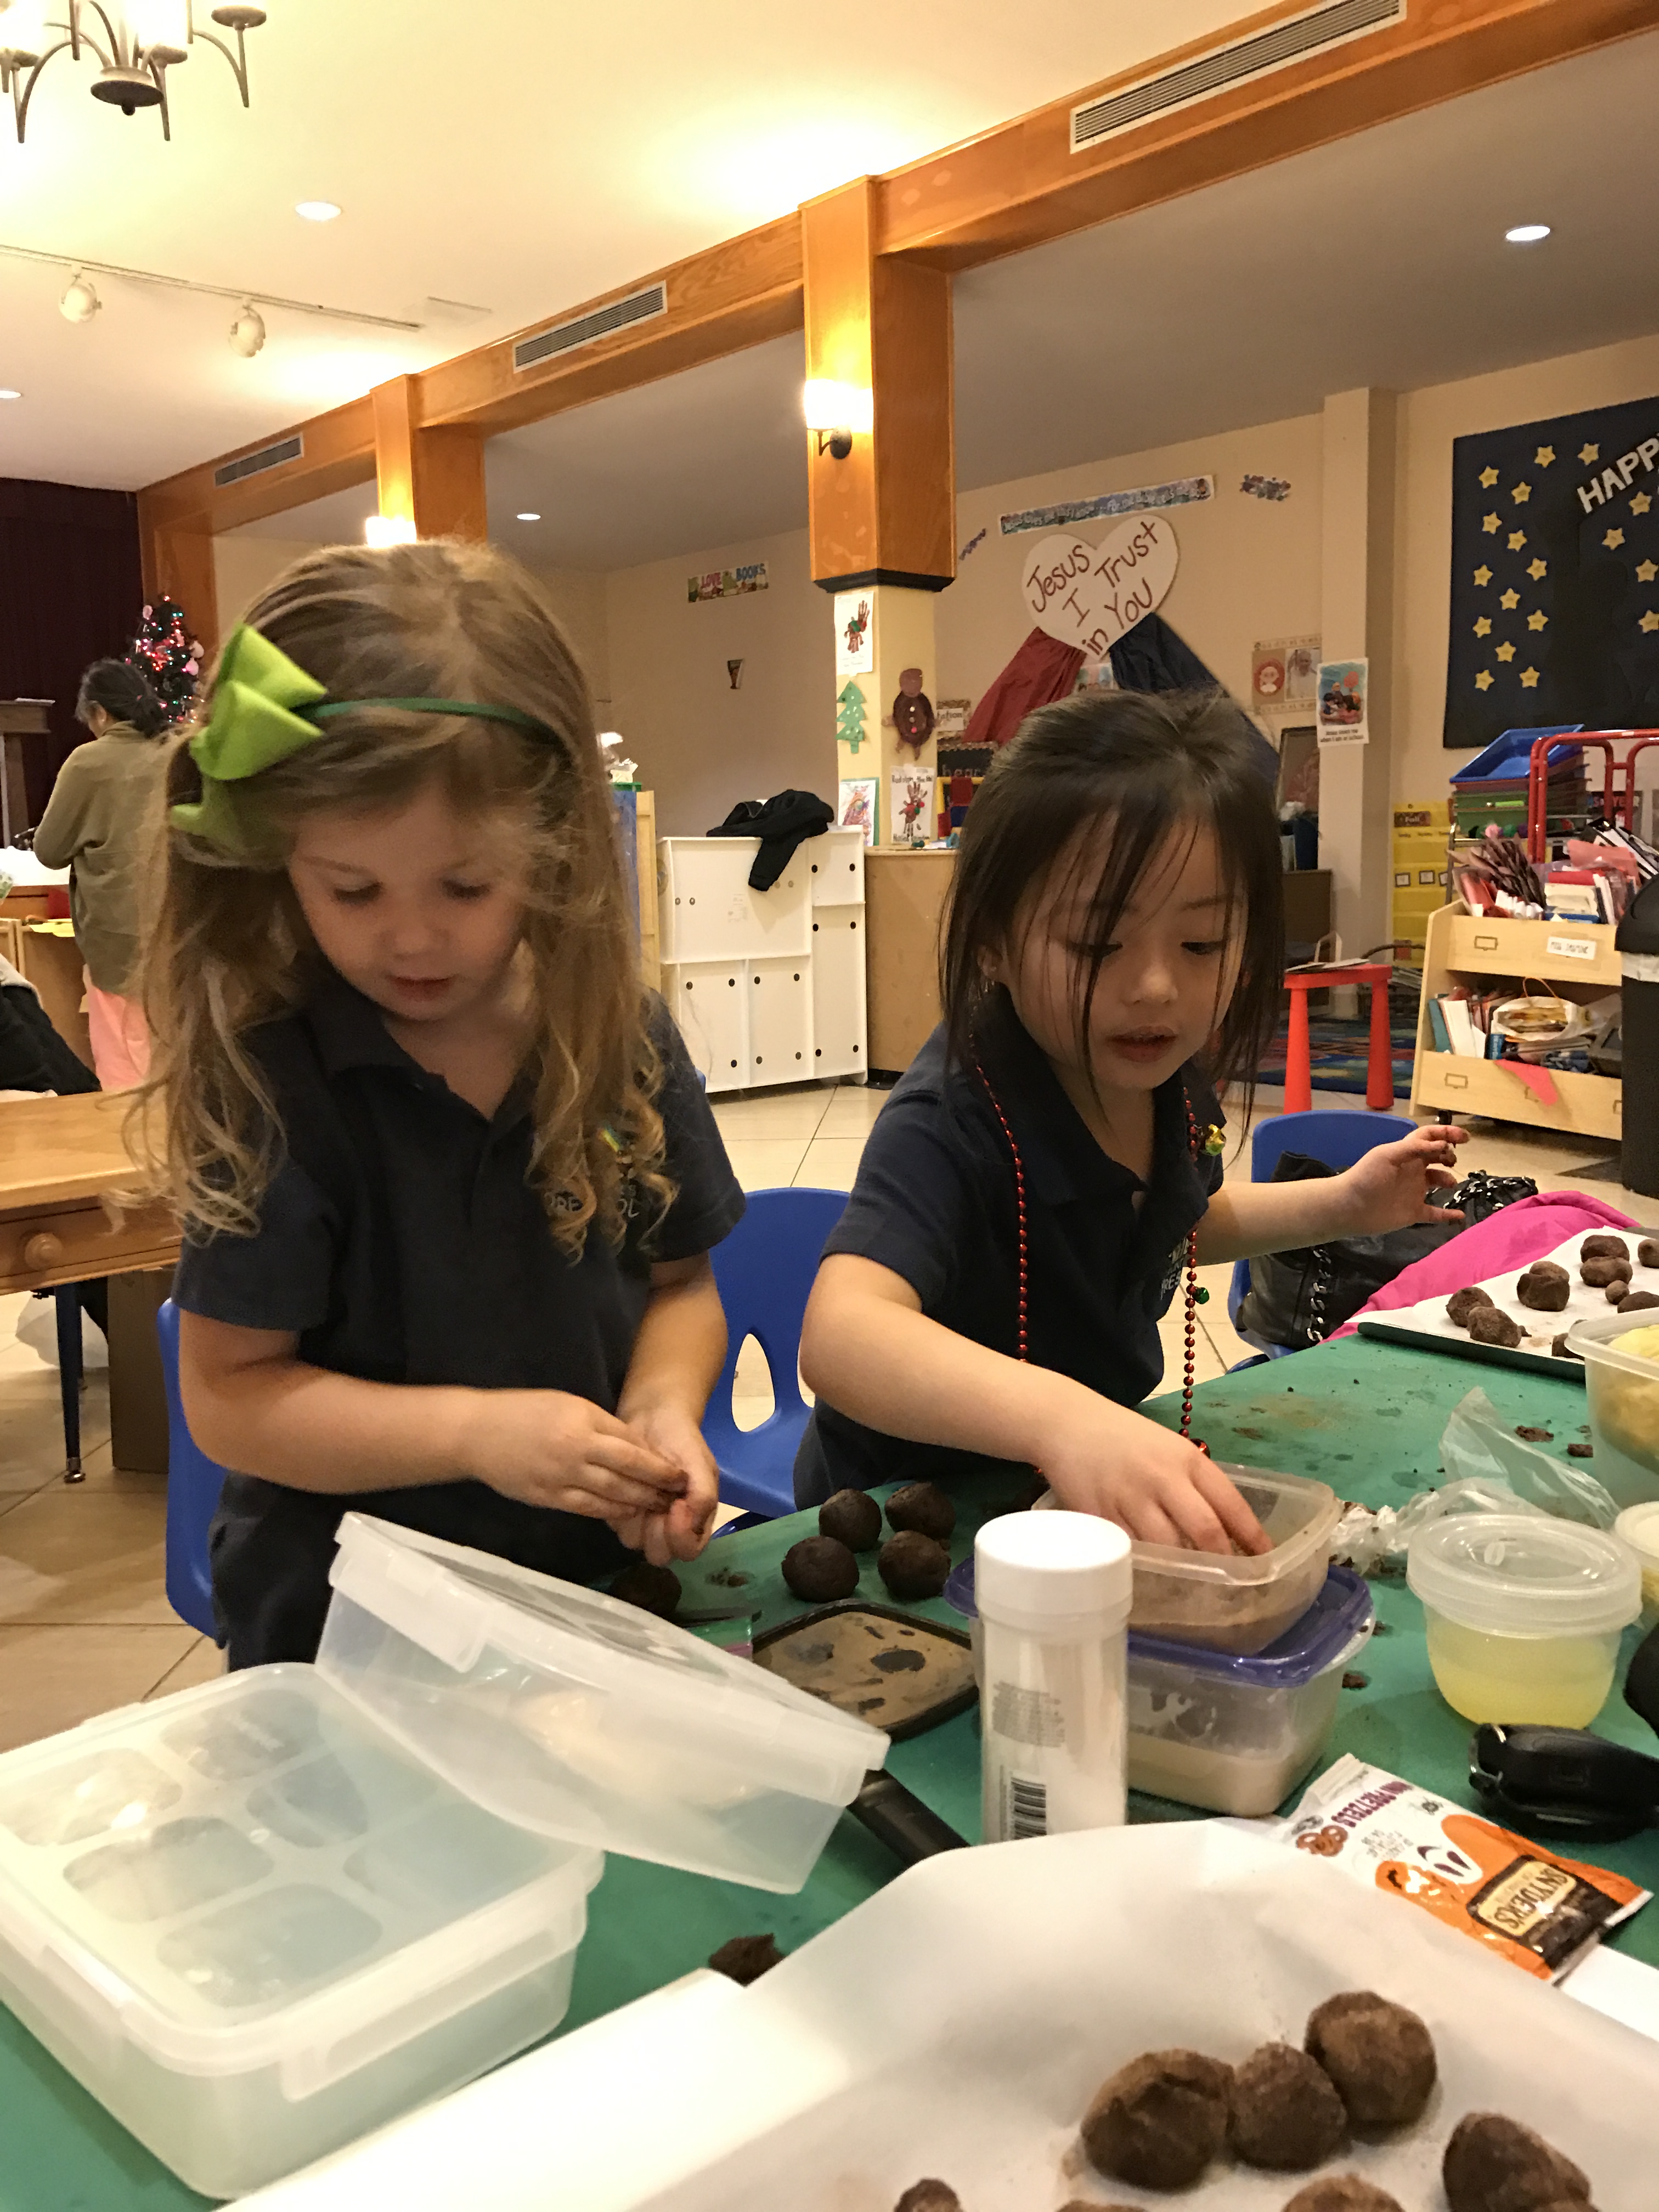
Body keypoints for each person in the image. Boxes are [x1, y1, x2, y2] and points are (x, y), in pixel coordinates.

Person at [145, 540, 744, 1668]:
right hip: (347, 1638)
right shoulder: (277, 1080)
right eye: (353, 889)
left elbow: (682, 1286)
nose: (413, 936)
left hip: (587, 1601)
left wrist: (662, 1407)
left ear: (555, 849)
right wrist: (475, 1433)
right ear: (278, 859)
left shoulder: (615, 1036)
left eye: (466, 885)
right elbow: (231, 1395)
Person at [797, 690, 1467, 1553]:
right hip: (911, 1531)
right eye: (1096, 946)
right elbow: (843, 1335)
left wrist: (1344, 1204)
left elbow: (1166, 1226)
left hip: (1080, 1505)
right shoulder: (953, 1119)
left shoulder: (1163, 1081)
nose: (1156, 987)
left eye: (1202, 945)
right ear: (994, 940)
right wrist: (1063, 1422)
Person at [33, 659, 171, 1090]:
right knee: (176, 1063)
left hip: (118, 937)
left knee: (124, 1071)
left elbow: (49, 851)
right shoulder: (176, 753)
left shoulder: (88, 763)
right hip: (180, 933)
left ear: (100, 713)